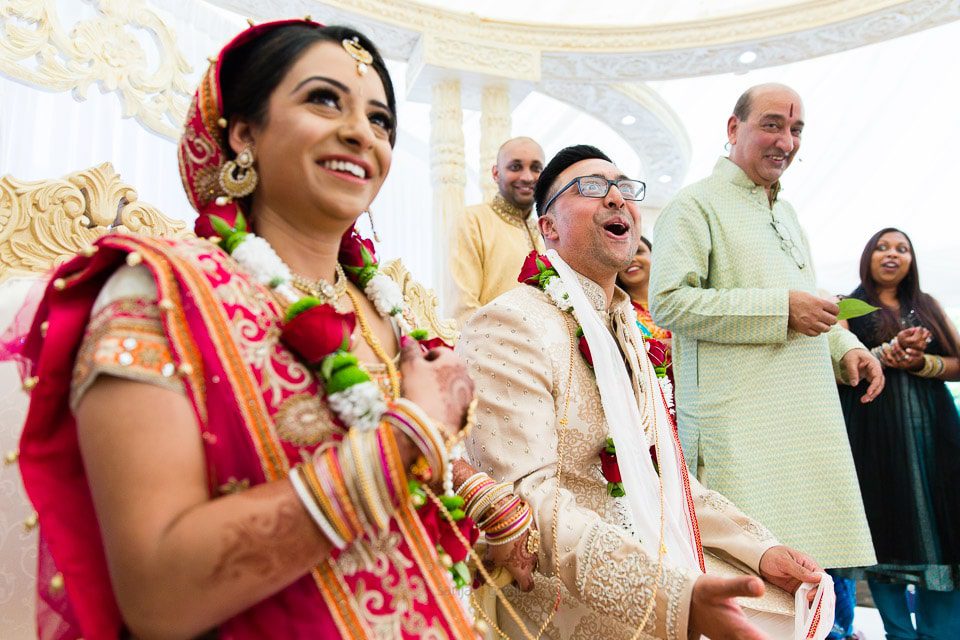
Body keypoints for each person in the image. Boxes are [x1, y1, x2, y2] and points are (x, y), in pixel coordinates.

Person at [4, 20, 531, 639]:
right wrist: (405, 440)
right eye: (323, 99)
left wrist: (471, 484)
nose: (360, 132)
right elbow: (160, 593)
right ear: (243, 134)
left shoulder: (385, 308)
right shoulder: (163, 292)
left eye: (381, 119)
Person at [460, 144, 835, 640]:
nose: (616, 198)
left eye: (624, 187)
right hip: (556, 585)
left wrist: (762, 550)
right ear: (548, 228)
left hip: (650, 548)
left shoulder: (630, 333)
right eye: (591, 188)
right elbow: (529, 502)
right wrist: (674, 596)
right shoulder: (512, 322)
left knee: (795, 600)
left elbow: (671, 480)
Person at [648, 84, 882, 575]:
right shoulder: (694, 206)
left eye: (796, 130)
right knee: (747, 575)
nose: (787, 142)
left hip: (805, 419)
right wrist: (781, 310)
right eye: (772, 125)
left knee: (807, 579)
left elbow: (805, 295)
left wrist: (845, 346)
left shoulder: (787, 213)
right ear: (734, 129)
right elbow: (668, 303)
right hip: (738, 428)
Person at [835, 228, 960, 639]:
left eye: (902, 248)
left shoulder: (927, 305)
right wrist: (887, 354)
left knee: (944, 524)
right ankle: (897, 632)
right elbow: (836, 367)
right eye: (883, 247)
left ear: (912, 260)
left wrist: (922, 363)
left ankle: (941, 631)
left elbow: (958, 362)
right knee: (883, 520)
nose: (892, 254)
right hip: (873, 431)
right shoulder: (846, 306)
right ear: (868, 256)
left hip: (933, 433)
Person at [448, 136, 546, 326]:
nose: (527, 177)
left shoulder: (545, 231)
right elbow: (462, 306)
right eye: (515, 167)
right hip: (491, 349)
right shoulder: (472, 220)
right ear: (495, 173)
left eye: (536, 168)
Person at [617, 236, 671, 344]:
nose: (631, 259)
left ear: (654, 255)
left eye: (638, 251)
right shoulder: (618, 313)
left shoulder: (678, 299)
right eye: (622, 256)